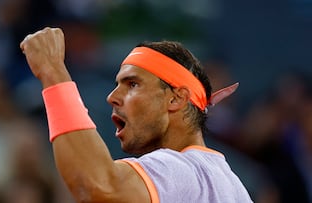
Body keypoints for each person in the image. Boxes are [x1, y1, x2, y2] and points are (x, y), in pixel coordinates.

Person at [20, 27, 253, 203]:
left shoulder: (184, 169)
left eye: (132, 84)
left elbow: (96, 185)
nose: (112, 97)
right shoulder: (233, 185)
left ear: (176, 99)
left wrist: (52, 71)